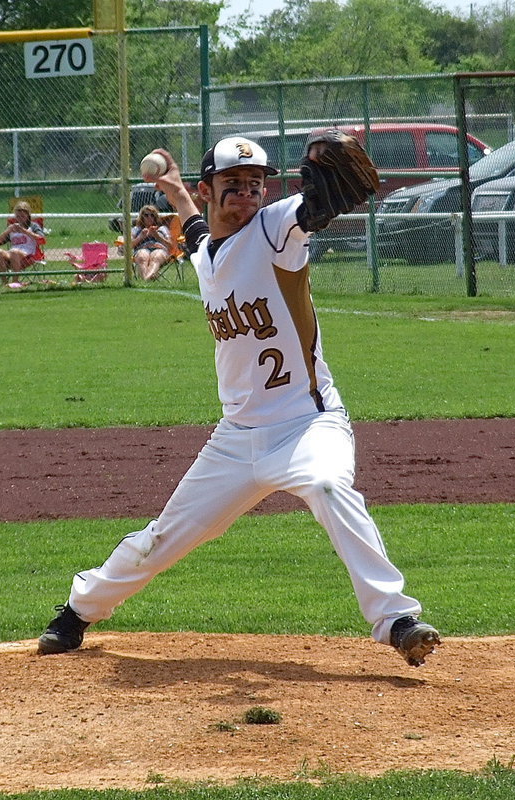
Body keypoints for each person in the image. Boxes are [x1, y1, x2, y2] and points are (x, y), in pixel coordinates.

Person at [38, 135, 441, 668]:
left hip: (307, 424)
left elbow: (307, 212)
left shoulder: (275, 230)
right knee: (163, 538)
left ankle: (397, 621)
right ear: (210, 190)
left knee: (327, 485)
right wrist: (175, 188)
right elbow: (196, 223)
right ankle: (77, 610)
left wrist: (315, 199)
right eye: (233, 185)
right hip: (234, 440)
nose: (247, 194)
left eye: (255, 184)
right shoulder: (205, 250)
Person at [0, 201, 44, 285]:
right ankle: (4, 283)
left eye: (22, 216)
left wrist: (25, 231)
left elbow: (41, 239)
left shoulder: (33, 226)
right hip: (13, 254)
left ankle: (15, 282)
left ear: (28, 215)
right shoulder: (13, 227)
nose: (20, 218)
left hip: (29, 255)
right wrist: (7, 231)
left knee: (14, 252)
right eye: (18, 216)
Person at [130, 204, 172, 281]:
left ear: (155, 217)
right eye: (146, 215)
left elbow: (171, 246)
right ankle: (149, 278)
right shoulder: (136, 229)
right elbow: (129, 246)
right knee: (142, 256)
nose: (149, 218)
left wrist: (158, 236)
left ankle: (145, 280)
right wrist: (141, 237)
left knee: (156, 257)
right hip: (142, 249)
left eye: (152, 215)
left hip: (159, 249)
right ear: (142, 217)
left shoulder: (162, 228)